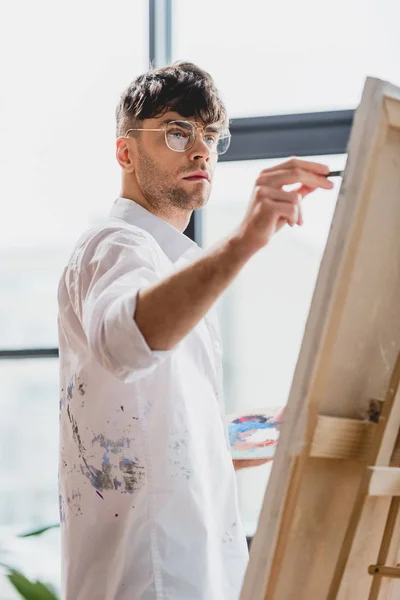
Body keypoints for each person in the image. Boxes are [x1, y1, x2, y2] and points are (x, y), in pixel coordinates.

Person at [57, 61, 334, 600]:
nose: (201, 149)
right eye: (177, 132)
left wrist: (277, 425)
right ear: (126, 153)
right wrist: (247, 238)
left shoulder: (169, 271)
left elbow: (170, 433)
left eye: (210, 136)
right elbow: (123, 342)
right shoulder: (114, 245)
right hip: (150, 582)